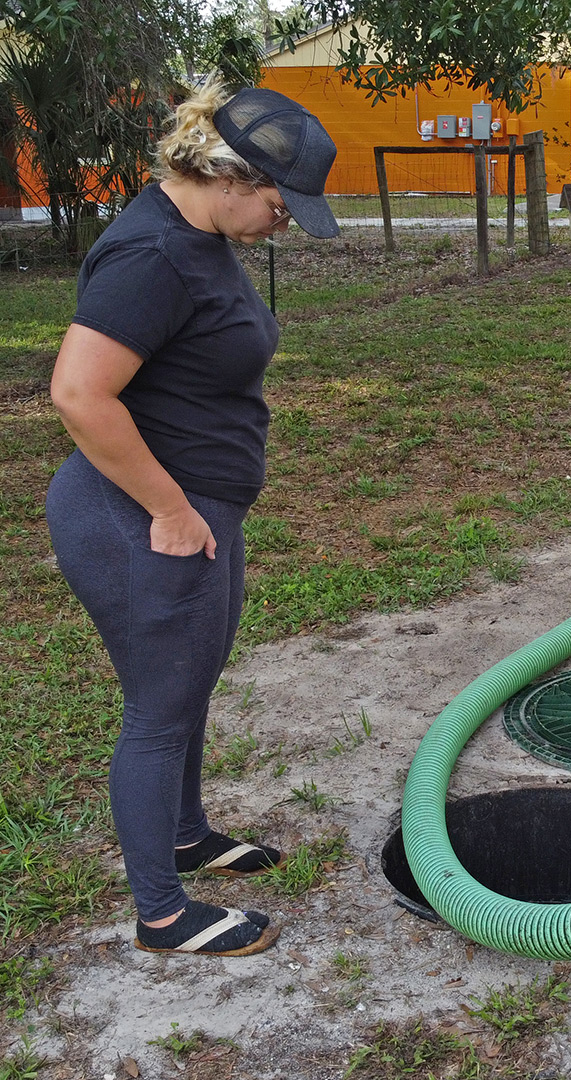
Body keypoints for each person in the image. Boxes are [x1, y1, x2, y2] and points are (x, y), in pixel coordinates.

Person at [46, 81, 339, 956]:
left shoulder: (196, 235)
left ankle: (187, 834)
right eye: (283, 207)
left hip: (191, 509)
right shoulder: (153, 257)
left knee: (187, 684)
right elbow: (77, 391)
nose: (285, 224)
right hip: (139, 517)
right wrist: (169, 509)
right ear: (230, 176)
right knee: (159, 709)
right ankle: (164, 915)